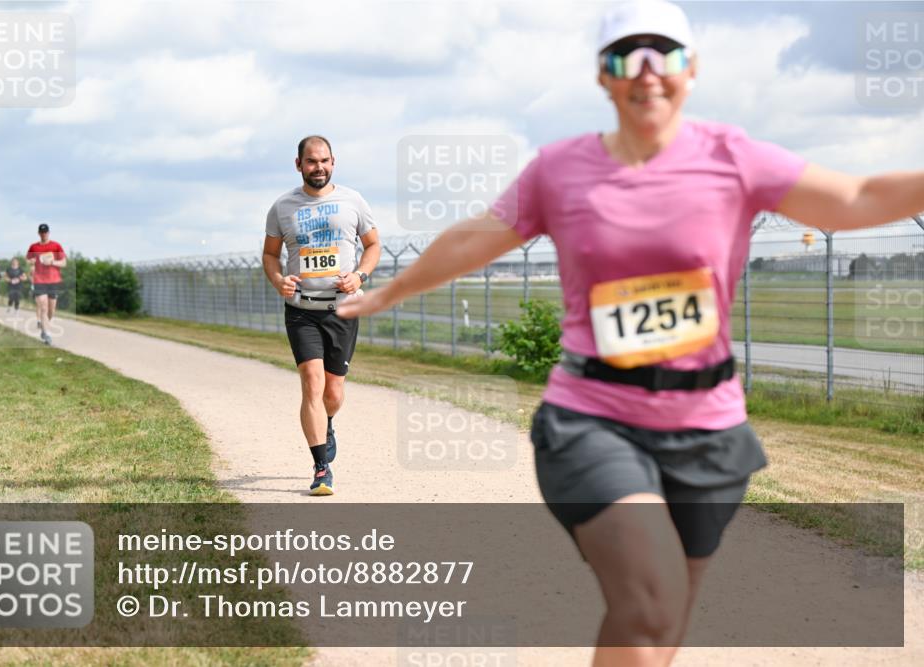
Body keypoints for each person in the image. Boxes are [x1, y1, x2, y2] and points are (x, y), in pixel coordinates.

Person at [338, 1, 924, 664]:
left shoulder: (734, 157)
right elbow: (477, 236)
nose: (647, 71)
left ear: (692, 69)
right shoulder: (559, 168)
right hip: (593, 417)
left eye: (664, 53)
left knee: (658, 621)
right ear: (603, 76)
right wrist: (390, 290)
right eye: (626, 55)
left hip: (710, 428)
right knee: (650, 601)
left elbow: (859, 196)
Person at [263, 135, 381, 496]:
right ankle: (320, 468)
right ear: (298, 164)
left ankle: (327, 422)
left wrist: (359, 275)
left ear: (334, 162)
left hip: (342, 308)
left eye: (325, 161)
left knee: (333, 391)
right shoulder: (282, 207)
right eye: (312, 161)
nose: (319, 168)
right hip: (302, 310)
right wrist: (279, 279)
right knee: (312, 382)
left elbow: (373, 245)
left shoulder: (353, 201)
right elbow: (270, 255)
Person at [26, 223, 67, 345]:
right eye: (41, 232)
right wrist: (31, 261)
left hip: (53, 280)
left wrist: (52, 262)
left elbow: (64, 263)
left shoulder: (56, 246)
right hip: (39, 280)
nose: (44, 234)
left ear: (49, 233)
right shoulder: (33, 247)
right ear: (39, 233)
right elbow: (28, 259)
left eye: (46, 232)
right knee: (43, 307)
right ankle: (47, 334)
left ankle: (45, 327)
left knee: (51, 310)